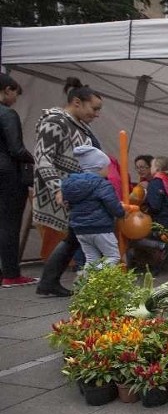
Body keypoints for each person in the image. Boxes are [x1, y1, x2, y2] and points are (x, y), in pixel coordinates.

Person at [34, 77, 104, 297]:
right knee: (76, 235)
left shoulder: (77, 125)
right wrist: (57, 188)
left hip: (76, 190)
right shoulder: (55, 121)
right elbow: (43, 157)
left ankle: (49, 282)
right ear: (77, 102)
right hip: (66, 190)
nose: (97, 114)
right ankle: (50, 282)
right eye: (94, 108)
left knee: (75, 235)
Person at [0, 73, 38, 287]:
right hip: (8, 174)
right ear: (7, 90)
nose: (15, 99)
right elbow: (16, 148)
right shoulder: (7, 114)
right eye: (15, 94)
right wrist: (33, 159)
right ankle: (11, 273)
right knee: (9, 224)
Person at [61, 146, 125, 272]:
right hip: (101, 228)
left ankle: (85, 283)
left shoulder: (70, 184)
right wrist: (121, 212)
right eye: (107, 167)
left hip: (80, 229)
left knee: (91, 260)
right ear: (99, 167)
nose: (108, 170)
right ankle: (96, 277)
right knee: (113, 257)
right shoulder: (102, 184)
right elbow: (112, 204)